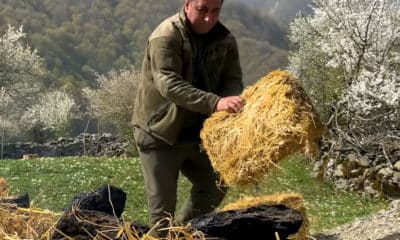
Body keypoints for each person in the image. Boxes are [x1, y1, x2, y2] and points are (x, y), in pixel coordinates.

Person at [132, 0, 244, 237]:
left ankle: (182, 234)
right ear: (188, 5)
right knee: (162, 214)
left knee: (215, 186)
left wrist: (231, 101)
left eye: (215, 11)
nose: (209, 18)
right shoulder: (165, 36)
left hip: (198, 135)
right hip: (159, 133)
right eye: (202, 9)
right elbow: (168, 84)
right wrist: (216, 103)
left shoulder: (225, 39)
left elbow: (232, 78)